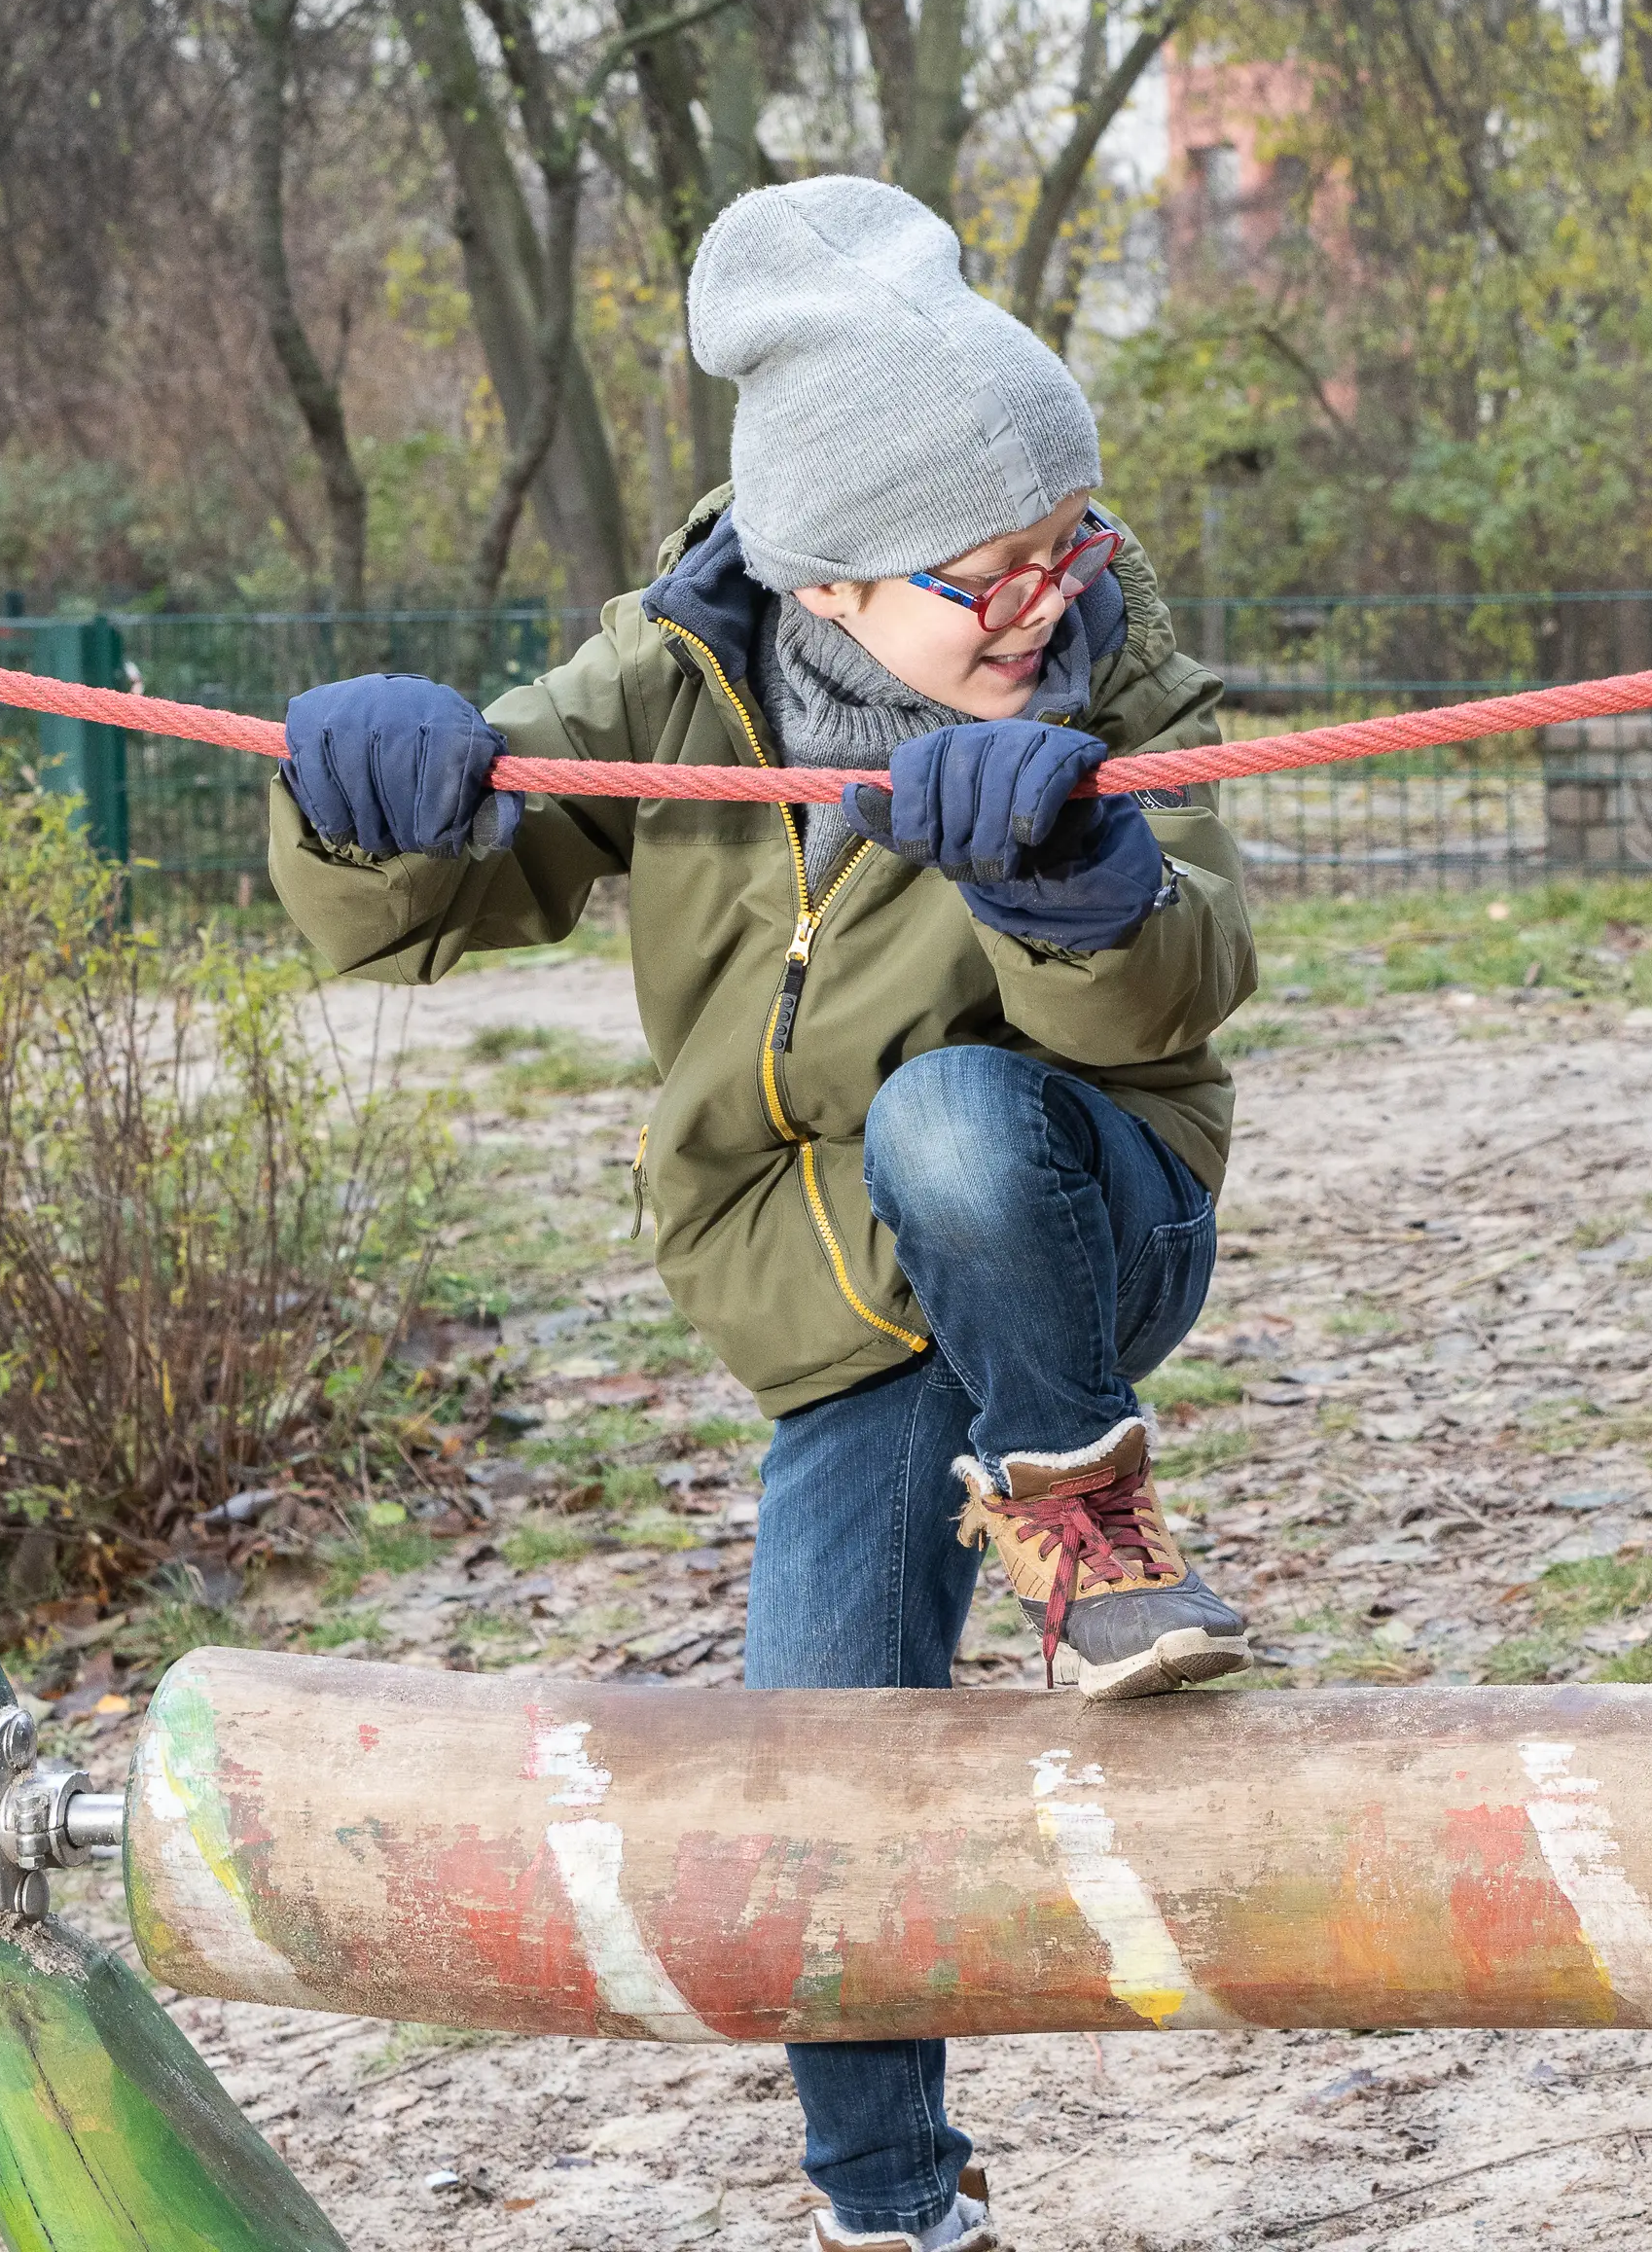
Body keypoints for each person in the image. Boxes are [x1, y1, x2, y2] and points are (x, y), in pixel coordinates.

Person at [261, 175, 1261, 2252]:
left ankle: (1090, 1523)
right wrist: (360, 796)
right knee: (813, 1759)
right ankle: (893, 2206)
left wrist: (1069, 876)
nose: (1044, 600)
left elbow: (1188, 967)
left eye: (1064, 542)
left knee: (956, 1115)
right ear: (816, 583)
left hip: (1078, 1219)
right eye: (982, 572)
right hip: (840, 1325)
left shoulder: (1115, 677)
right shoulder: (677, 685)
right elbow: (428, 898)